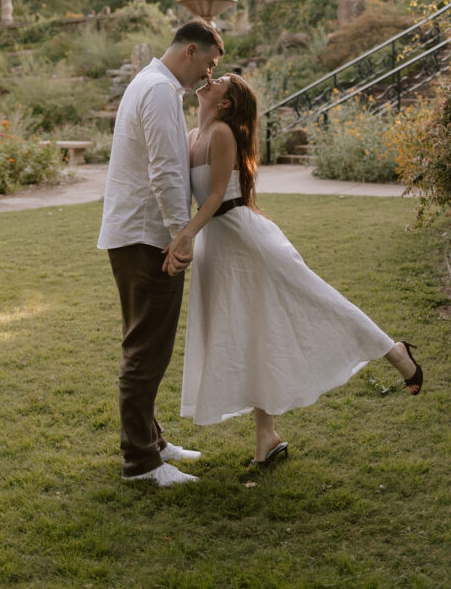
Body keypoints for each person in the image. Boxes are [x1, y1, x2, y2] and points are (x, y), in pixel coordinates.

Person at [163, 74, 423, 465]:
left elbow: (216, 196)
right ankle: (266, 437)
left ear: (226, 102)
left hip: (247, 241)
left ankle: (395, 352)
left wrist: (184, 236)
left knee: (318, 302)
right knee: (251, 335)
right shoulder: (190, 136)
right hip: (218, 247)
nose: (210, 78)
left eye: (221, 80)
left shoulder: (220, 133)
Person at [97, 19, 224, 486]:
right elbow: (166, 170)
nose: (209, 78)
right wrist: (181, 235)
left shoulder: (152, 84)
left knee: (149, 344)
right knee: (145, 350)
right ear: (190, 51)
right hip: (147, 237)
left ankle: (152, 440)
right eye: (209, 64)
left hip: (142, 234)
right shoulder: (158, 90)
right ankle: (141, 463)